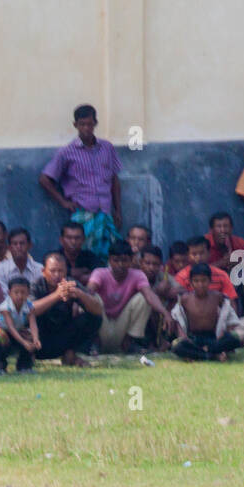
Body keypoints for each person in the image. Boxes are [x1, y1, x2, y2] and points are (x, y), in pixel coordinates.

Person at [39, 104, 123, 256]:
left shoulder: (107, 148)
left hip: (105, 212)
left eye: (89, 124)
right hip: (83, 213)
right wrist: (63, 202)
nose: (86, 128)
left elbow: (114, 180)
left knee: (108, 254)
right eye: (82, 124)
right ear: (75, 125)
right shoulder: (67, 152)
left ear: (95, 124)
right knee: (81, 253)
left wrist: (118, 209)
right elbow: (45, 179)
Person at [87, 240, 176, 354]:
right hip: (102, 325)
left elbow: (149, 295)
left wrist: (165, 313)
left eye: (124, 260)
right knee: (91, 298)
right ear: (109, 260)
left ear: (131, 260)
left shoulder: (137, 275)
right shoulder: (99, 273)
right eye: (116, 260)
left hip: (121, 327)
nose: (120, 265)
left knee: (143, 298)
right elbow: (89, 290)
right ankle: (94, 344)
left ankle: (129, 344)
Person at [175, 237, 244, 344]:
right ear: (188, 256)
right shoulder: (181, 276)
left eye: (201, 253)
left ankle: (226, 340)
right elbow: (178, 310)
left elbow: (231, 303)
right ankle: (224, 343)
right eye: (194, 254)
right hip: (192, 328)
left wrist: (230, 323)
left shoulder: (221, 275)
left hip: (221, 325)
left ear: (209, 254)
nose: (198, 257)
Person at [30, 252, 102, 367]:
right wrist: (57, 295)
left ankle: (70, 353)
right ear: (44, 272)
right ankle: (29, 355)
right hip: (39, 341)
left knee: (94, 318)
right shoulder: (36, 285)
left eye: (61, 271)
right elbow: (29, 310)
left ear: (66, 272)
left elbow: (98, 311)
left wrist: (79, 294)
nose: (57, 275)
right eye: (52, 271)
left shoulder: (71, 284)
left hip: (63, 339)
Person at [171, 264, 242, 361]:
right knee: (177, 346)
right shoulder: (185, 299)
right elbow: (177, 317)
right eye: (196, 281)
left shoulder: (218, 297)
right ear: (191, 282)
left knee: (234, 340)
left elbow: (228, 312)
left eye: (203, 280)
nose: (200, 284)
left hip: (213, 338)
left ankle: (199, 354)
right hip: (194, 338)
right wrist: (183, 335)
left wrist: (224, 332)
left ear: (210, 281)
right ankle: (211, 355)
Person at [0, 276, 38, 375]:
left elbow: (33, 323)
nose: (20, 296)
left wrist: (36, 338)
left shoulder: (29, 305)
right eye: (16, 292)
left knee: (29, 336)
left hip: (16, 329)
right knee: (0, 337)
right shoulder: (5, 307)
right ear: (10, 293)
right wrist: (23, 342)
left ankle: (24, 366)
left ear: (28, 293)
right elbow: (10, 327)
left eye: (23, 292)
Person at [54, 221, 104, 286]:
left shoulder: (90, 256)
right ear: (61, 240)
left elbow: (101, 274)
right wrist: (71, 272)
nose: (73, 242)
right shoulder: (54, 258)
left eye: (77, 238)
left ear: (83, 239)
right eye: (69, 238)